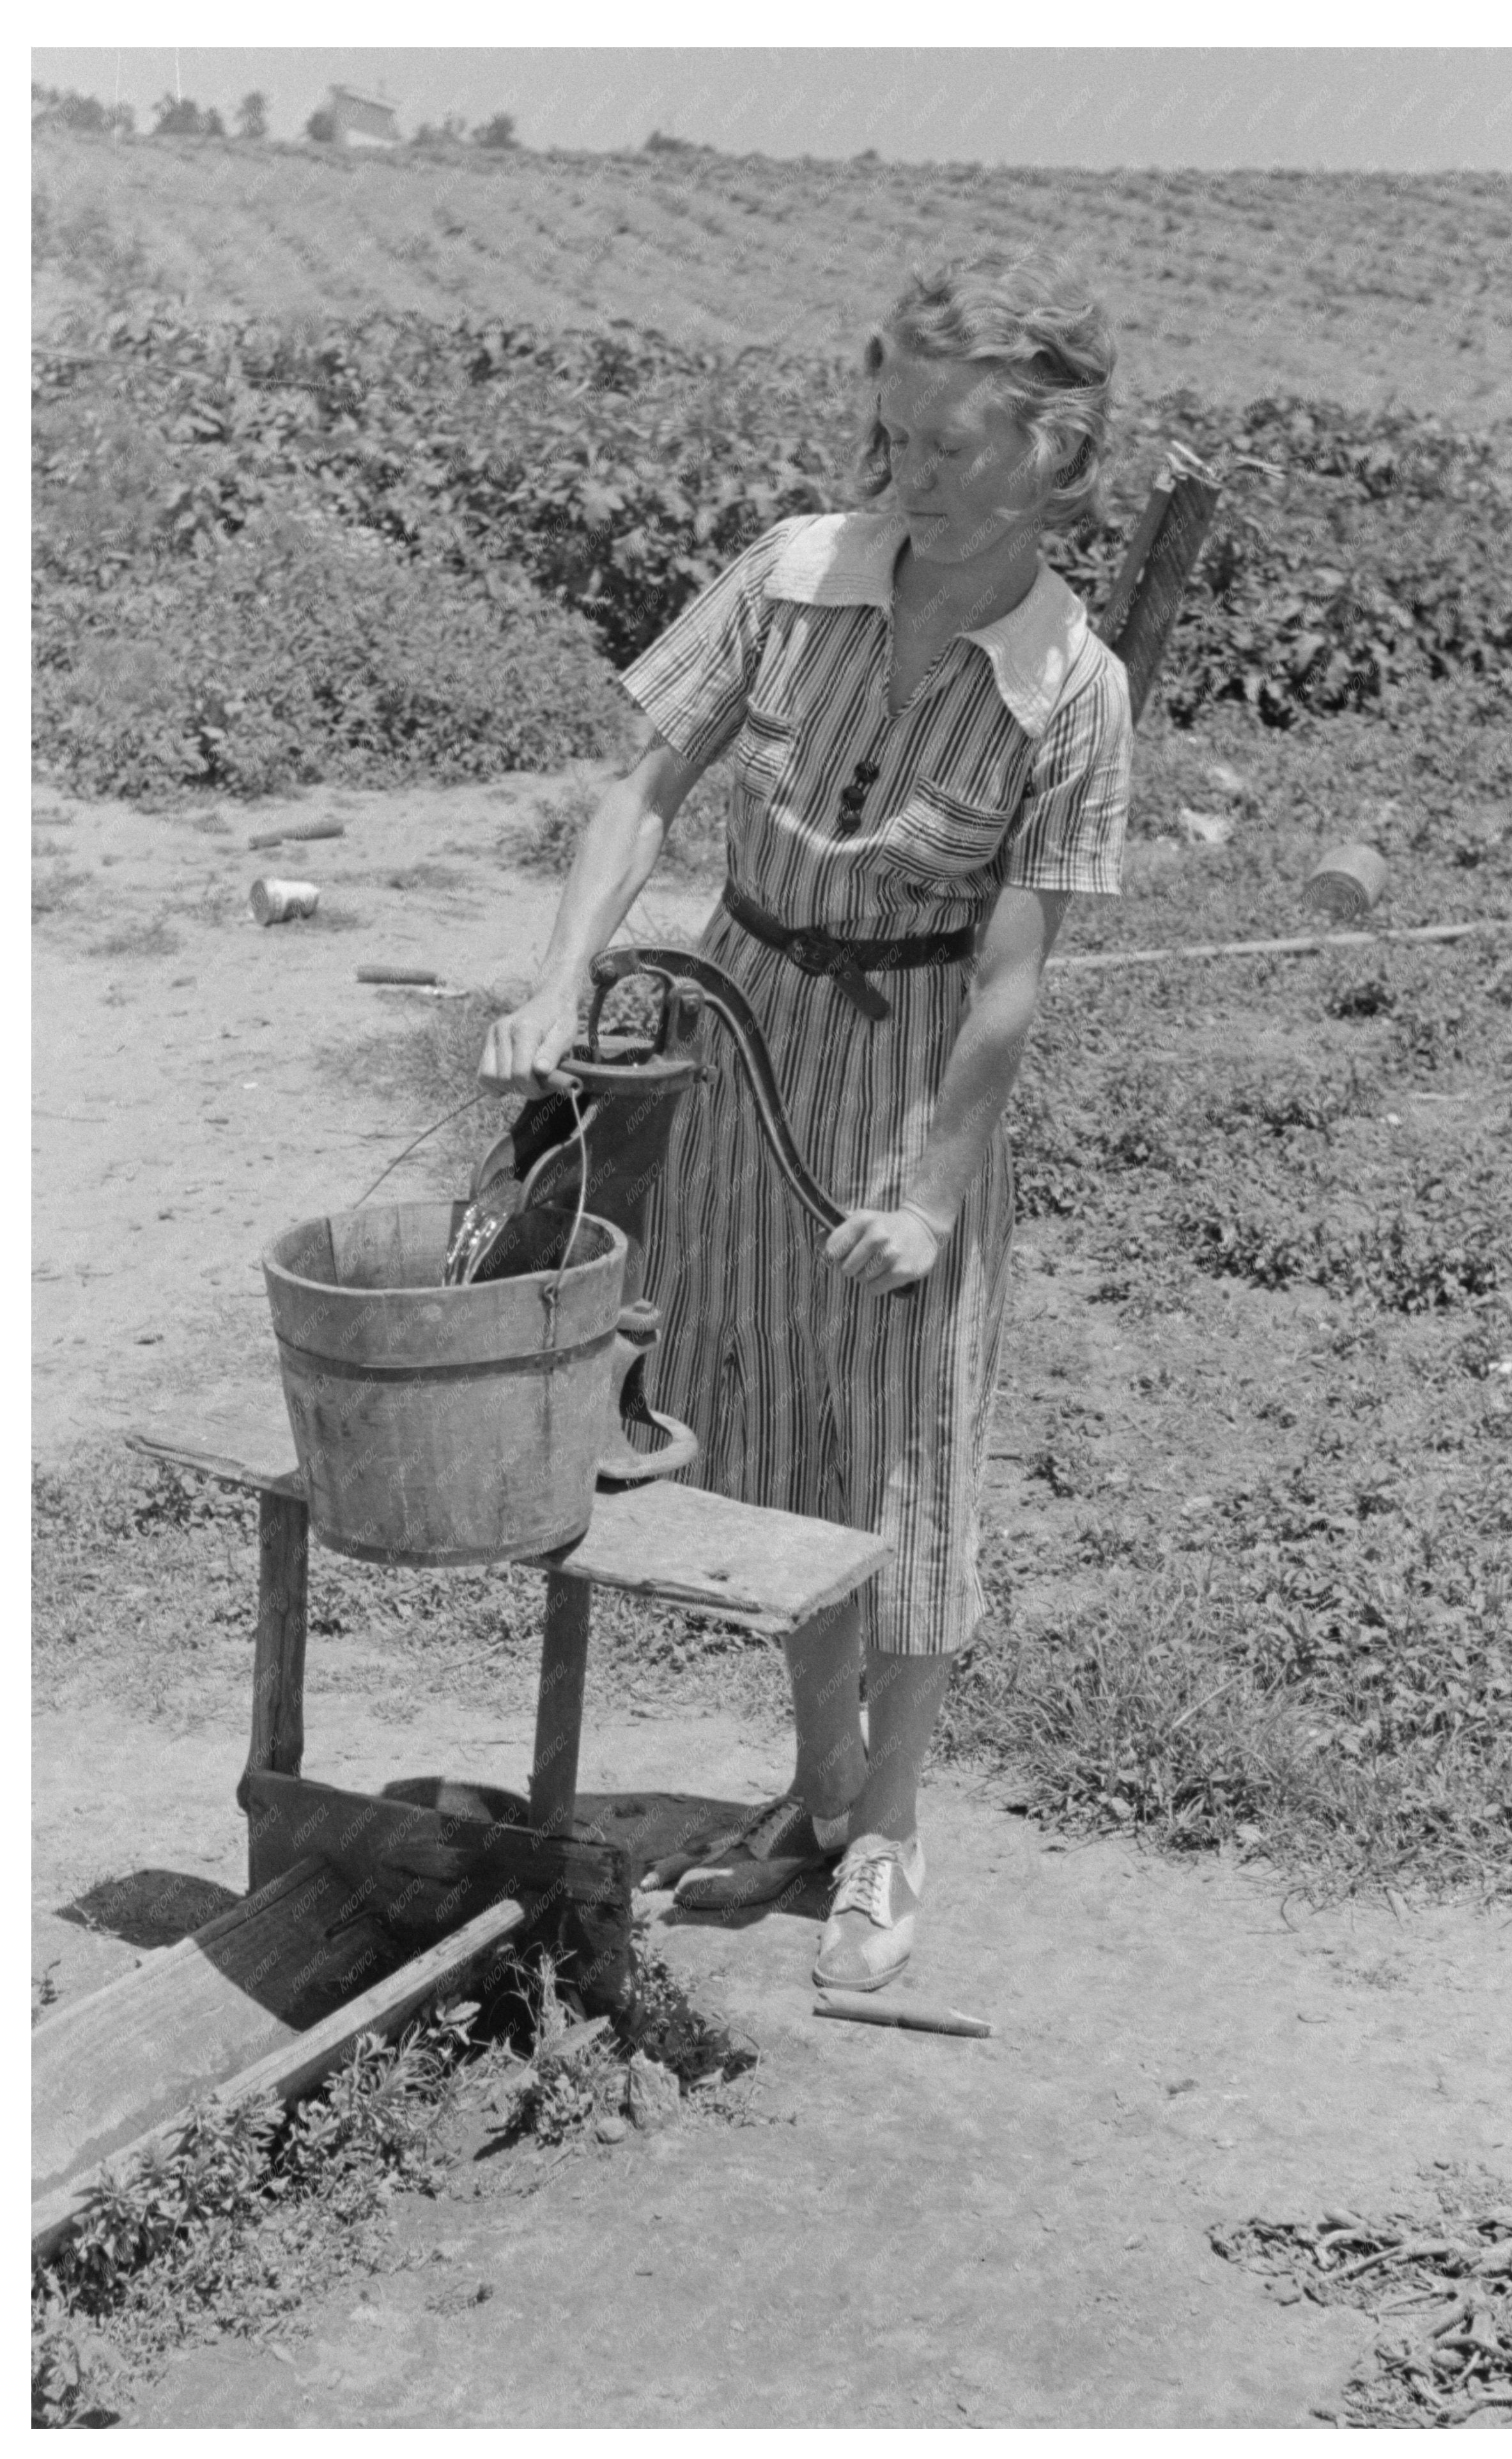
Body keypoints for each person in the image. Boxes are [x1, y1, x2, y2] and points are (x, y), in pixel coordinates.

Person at [480, 248, 1131, 1994]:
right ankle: (817, 1789)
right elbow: (641, 788)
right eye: (892, 433)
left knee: (904, 1445)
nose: (906, 474)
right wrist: (564, 976)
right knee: (768, 1410)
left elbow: (1010, 980)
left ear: (1054, 459)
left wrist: (930, 1194)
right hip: (743, 1023)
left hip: (914, 1055)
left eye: (949, 448)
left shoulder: (1071, 687)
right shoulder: (788, 576)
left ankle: (893, 1829)